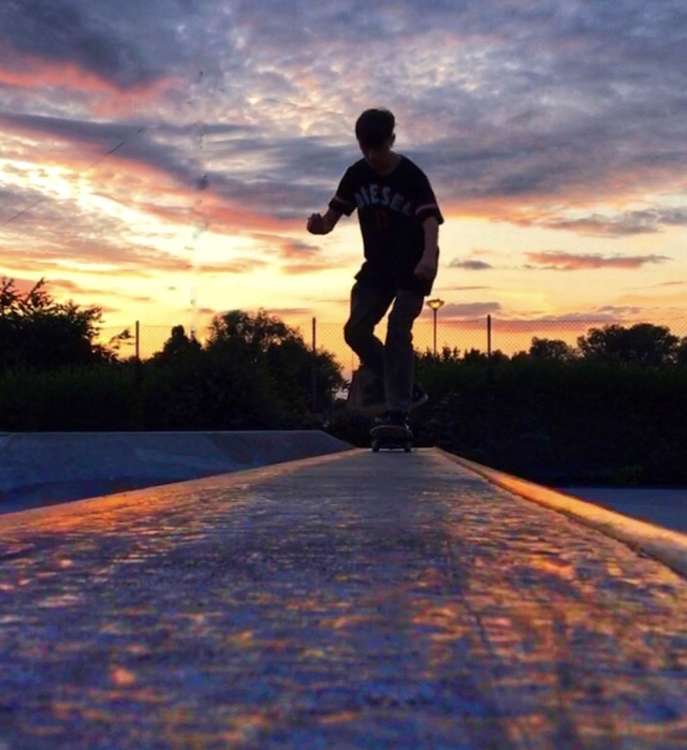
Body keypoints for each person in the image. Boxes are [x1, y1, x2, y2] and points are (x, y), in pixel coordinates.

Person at [306, 108, 443, 426]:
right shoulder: (356, 174)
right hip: (377, 267)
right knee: (355, 331)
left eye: (378, 150)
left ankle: (398, 408)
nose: (372, 157)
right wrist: (318, 227)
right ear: (359, 144)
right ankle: (407, 388)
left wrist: (429, 258)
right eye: (365, 150)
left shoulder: (410, 175)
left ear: (391, 141)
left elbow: (430, 220)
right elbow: (331, 219)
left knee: (398, 329)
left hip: (413, 265)